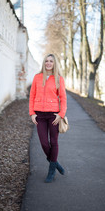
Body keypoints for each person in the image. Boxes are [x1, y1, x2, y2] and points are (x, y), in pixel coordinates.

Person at [29, 53, 67, 183]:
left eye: (51, 61)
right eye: (46, 61)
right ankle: (55, 163)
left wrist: (61, 114)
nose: (48, 63)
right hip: (39, 115)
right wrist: (32, 113)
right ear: (44, 63)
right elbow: (32, 96)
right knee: (44, 142)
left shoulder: (59, 79)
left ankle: (51, 171)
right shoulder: (37, 77)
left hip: (53, 115)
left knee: (54, 142)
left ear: (54, 63)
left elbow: (63, 98)